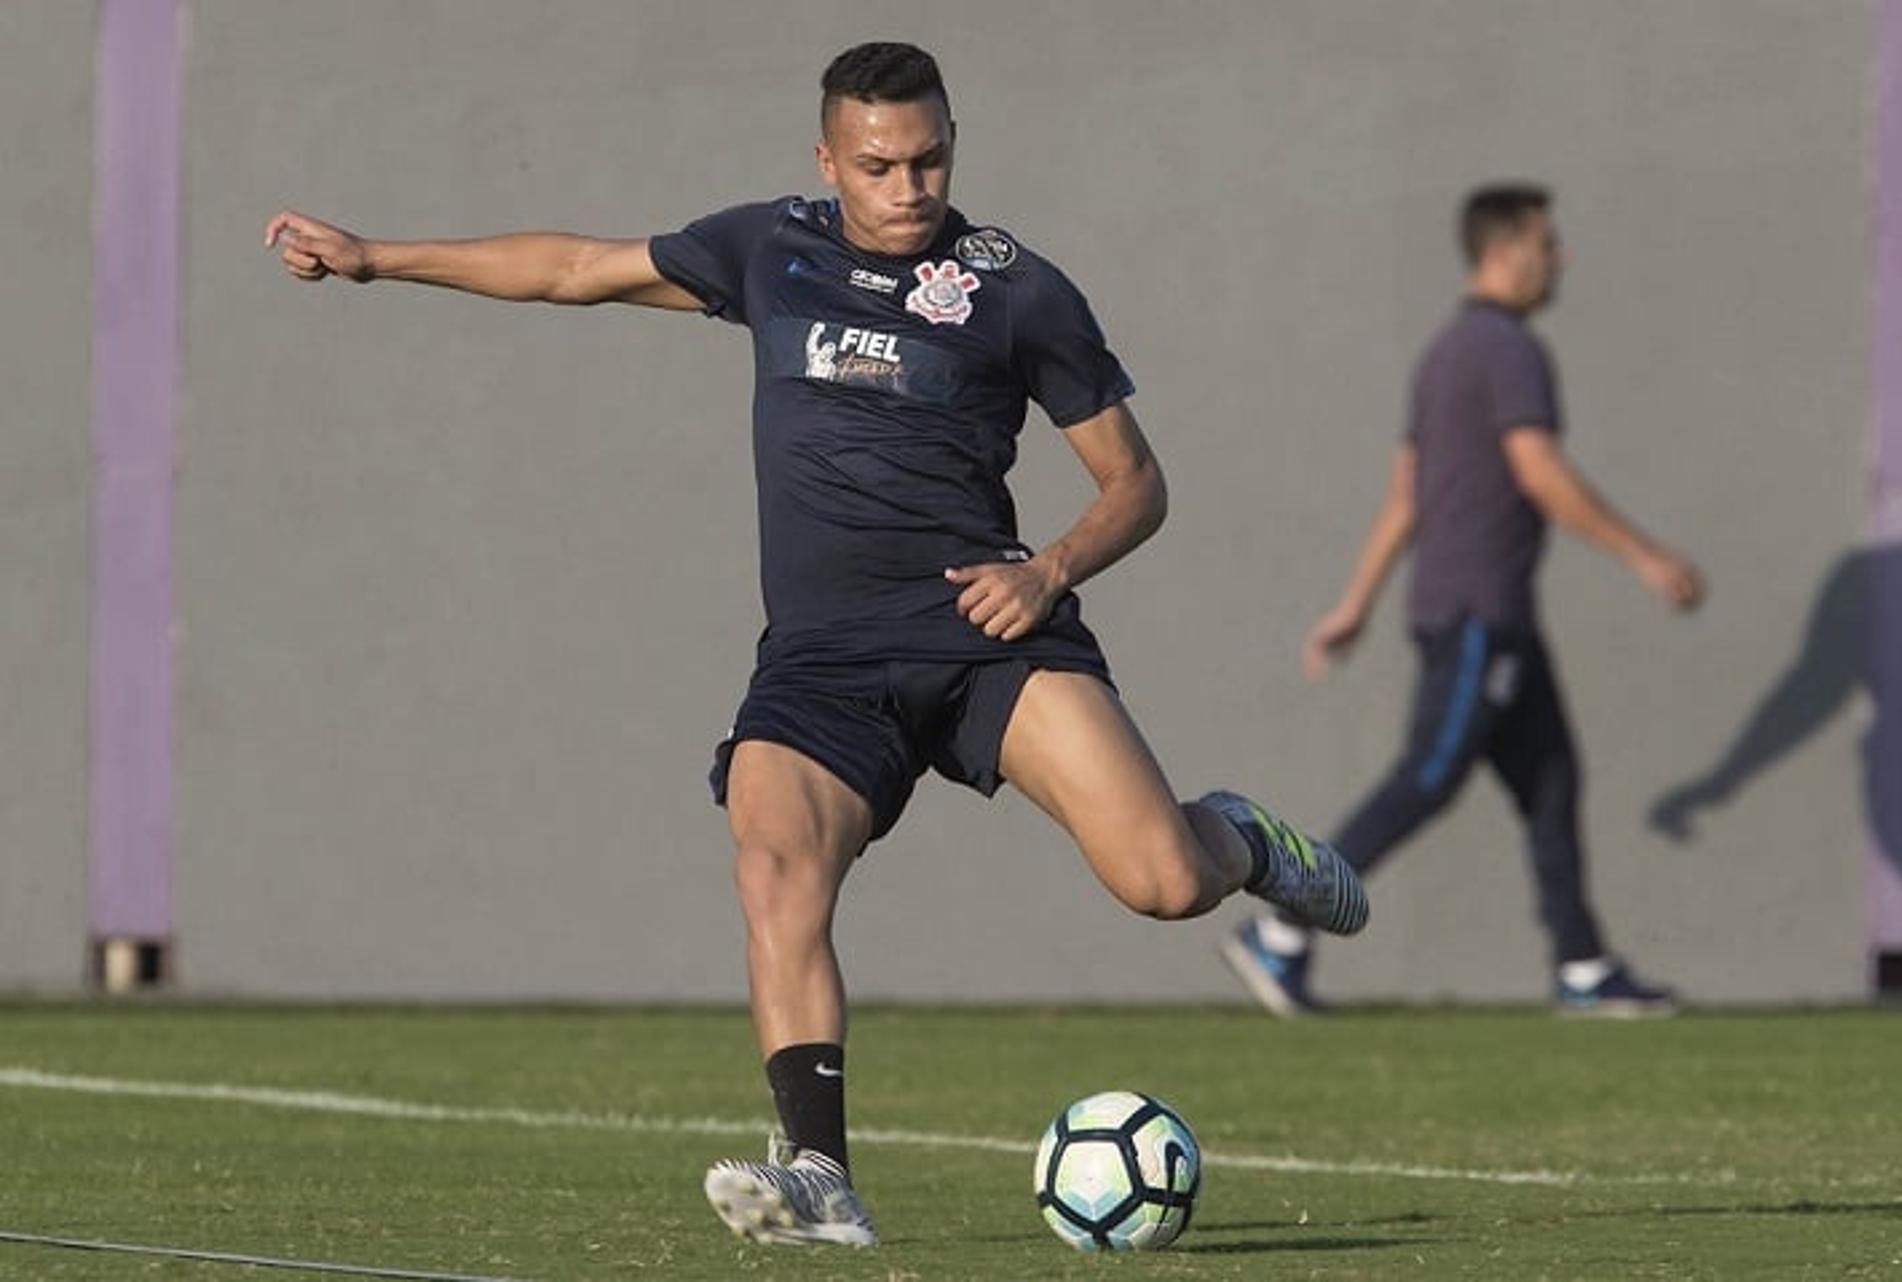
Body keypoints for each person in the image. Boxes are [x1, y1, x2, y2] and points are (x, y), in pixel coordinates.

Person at [265, 42, 1367, 1248]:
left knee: (1162, 881)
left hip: (982, 636)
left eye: (930, 157)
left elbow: (1137, 485)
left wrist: (1047, 569)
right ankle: (820, 1176)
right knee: (771, 856)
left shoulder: (1019, 292)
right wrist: (377, 257)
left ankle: (1243, 837)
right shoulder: (769, 250)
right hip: (823, 664)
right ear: (828, 159)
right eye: (879, 163)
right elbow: (575, 268)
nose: (909, 186)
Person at [1219, 184, 1704, 1019]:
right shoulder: (1507, 349)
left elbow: (1408, 491)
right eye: (1549, 245)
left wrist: (1356, 604)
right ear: (1506, 252)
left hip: (1488, 614)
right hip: (1479, 614)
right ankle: (1284, 928)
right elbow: (1539, 472)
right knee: (1431, 776)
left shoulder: (1446, 351)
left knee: (1552, 782)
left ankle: (1583, 966)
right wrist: (1647, 557)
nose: (1561, 260)